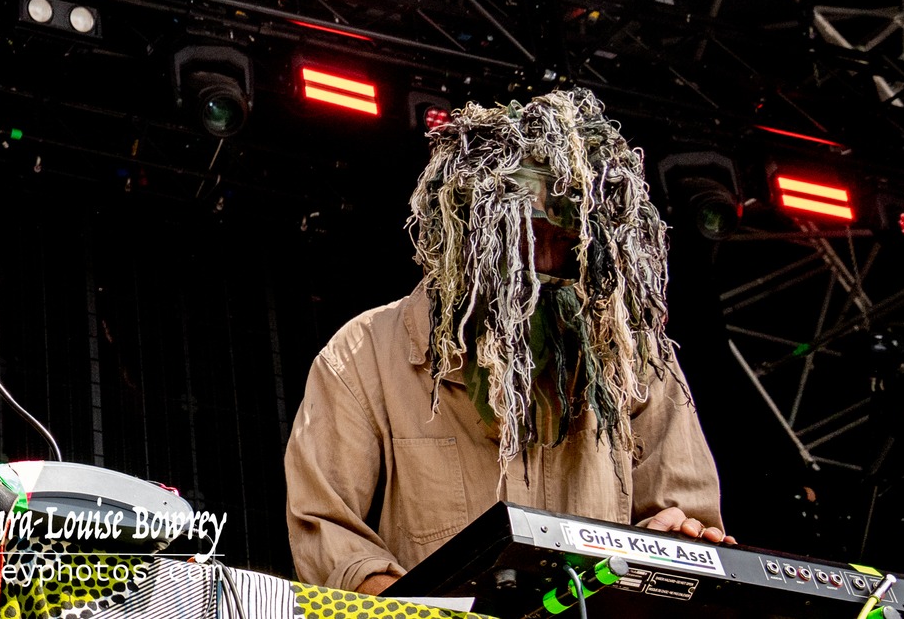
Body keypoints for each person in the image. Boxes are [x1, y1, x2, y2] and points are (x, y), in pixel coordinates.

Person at [284, 89, 726, 595]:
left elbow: (683, 524)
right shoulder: (362, 357)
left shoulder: (634, 358)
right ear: (469, 235)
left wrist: (673, 544)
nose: (548, 262)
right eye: (529, 237)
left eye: (568, 241)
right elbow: (330, 534)